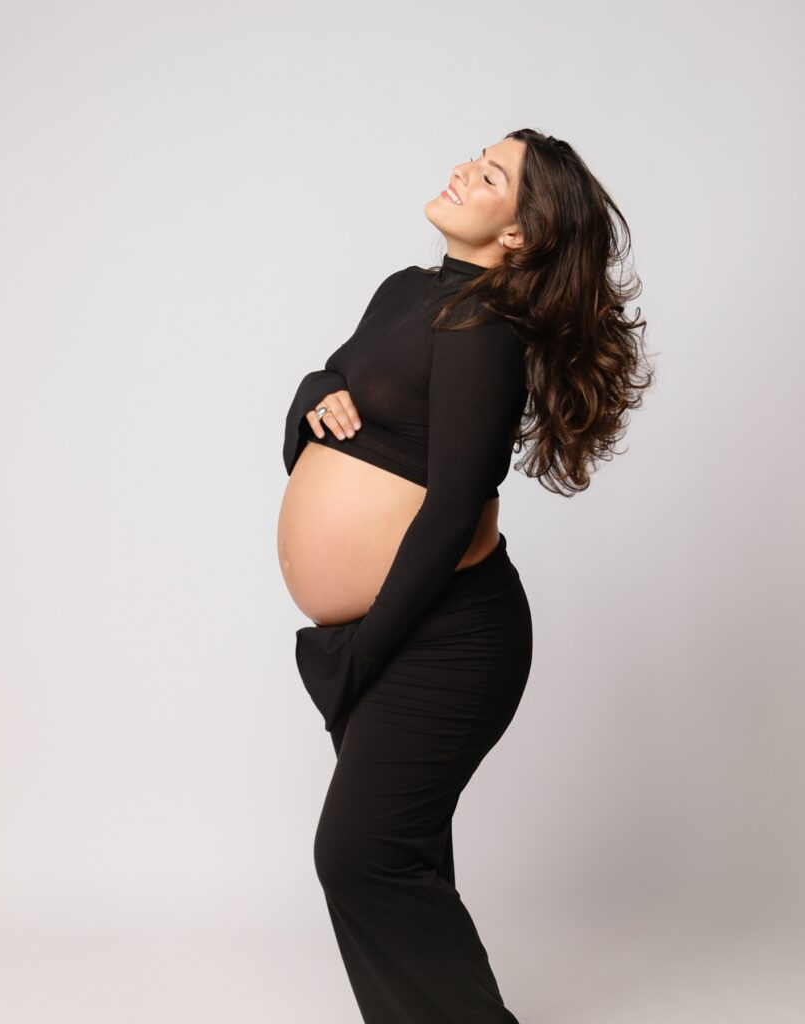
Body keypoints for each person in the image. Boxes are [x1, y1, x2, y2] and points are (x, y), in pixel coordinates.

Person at [280, 128, 654, 1024]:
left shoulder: (481, 325)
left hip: (446, 637)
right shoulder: (407, 293)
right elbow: (334, 382)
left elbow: (452, 506)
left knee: (362, 854)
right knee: (398, 858)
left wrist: (367, 651)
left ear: (519, 234)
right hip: (394, 629)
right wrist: (308, 395)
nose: (460, 170)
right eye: (473, 158)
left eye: (488, 176)